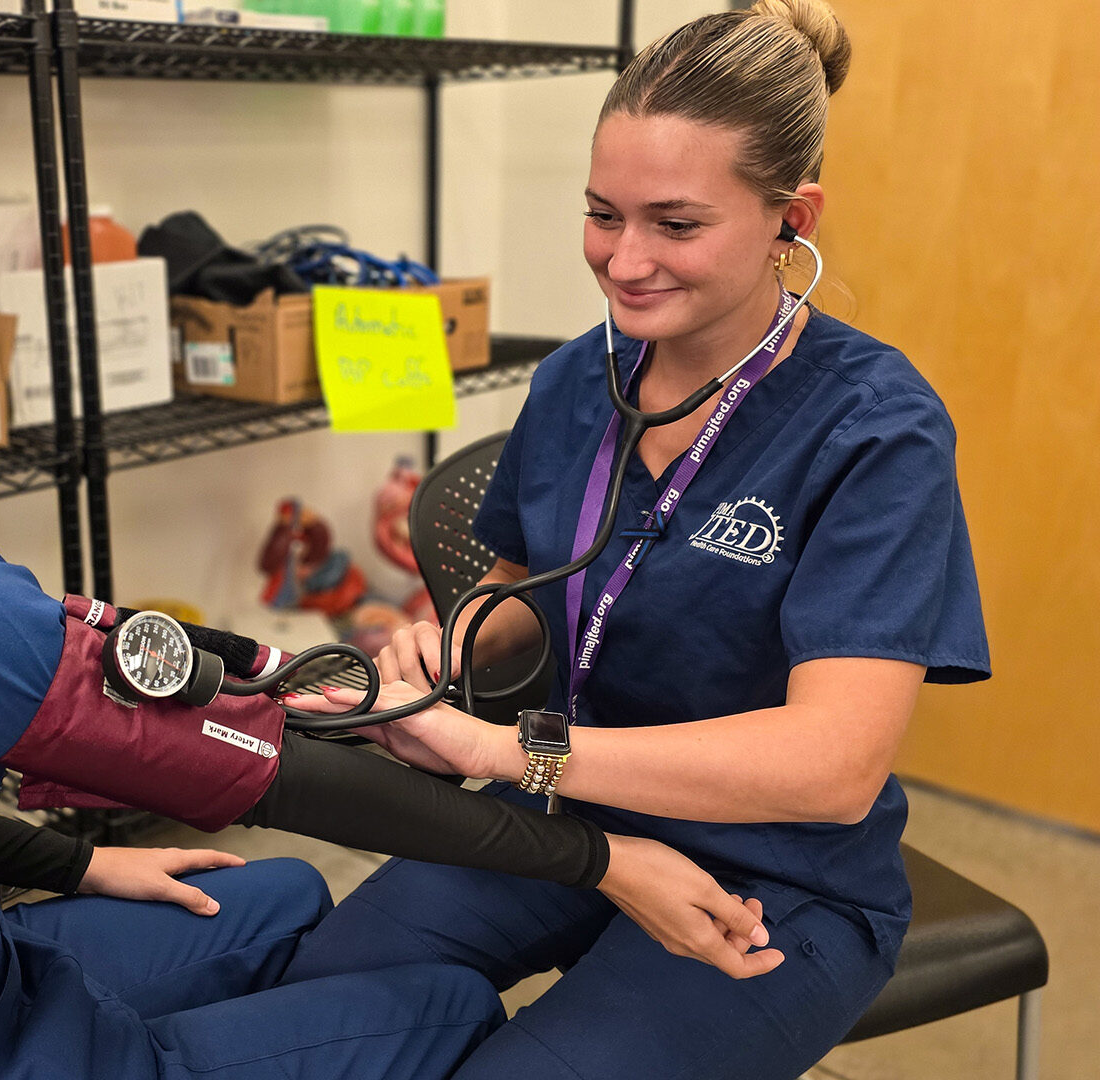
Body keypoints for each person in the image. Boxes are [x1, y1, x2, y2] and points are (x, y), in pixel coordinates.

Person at [0, 14, 778, 1080]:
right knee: (442, 1009)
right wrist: (601, 854)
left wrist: (75, 862)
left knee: (278, 894)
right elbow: (265, 765)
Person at [282, 3, 990, 1079]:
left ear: (791, 218)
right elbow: (522, 588)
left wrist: (512, 749)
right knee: (314, 1008)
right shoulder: (581, 375)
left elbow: (833, 770)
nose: (624, 260)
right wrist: (449, 652)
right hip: (565, 812)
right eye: (602, 214)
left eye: (675, 222)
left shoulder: (875, 428)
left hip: (779, 871)